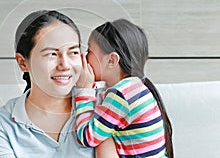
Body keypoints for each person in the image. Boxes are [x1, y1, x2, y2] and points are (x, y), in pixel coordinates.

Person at [0, 10, 94, 157]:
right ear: (23, 63)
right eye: (51, 54)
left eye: (73, 52)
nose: (65, 65)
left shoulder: (105, 107)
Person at [74, 19, 174, 157]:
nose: (84, 57)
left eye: (89, 51)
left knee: (103, 141)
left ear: (111, 60)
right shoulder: (134, 87)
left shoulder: (121, 95)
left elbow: (87, 137)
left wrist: (83, 90)